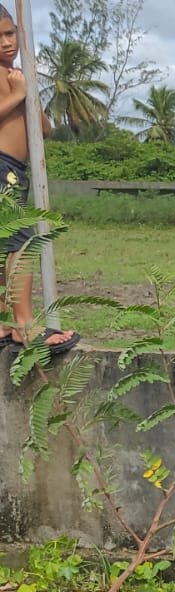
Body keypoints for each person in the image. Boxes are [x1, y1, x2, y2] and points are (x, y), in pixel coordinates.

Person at [0, 7, 75, 355]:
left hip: (15, 168)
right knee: (20, 243)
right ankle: (26, 325)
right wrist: (16, 95)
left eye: (9, 34)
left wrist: (29, 95)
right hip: (2, 168)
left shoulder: (16, 74)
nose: (5, 43)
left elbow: (42, 130)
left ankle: (7, 324)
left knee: (7, 242)